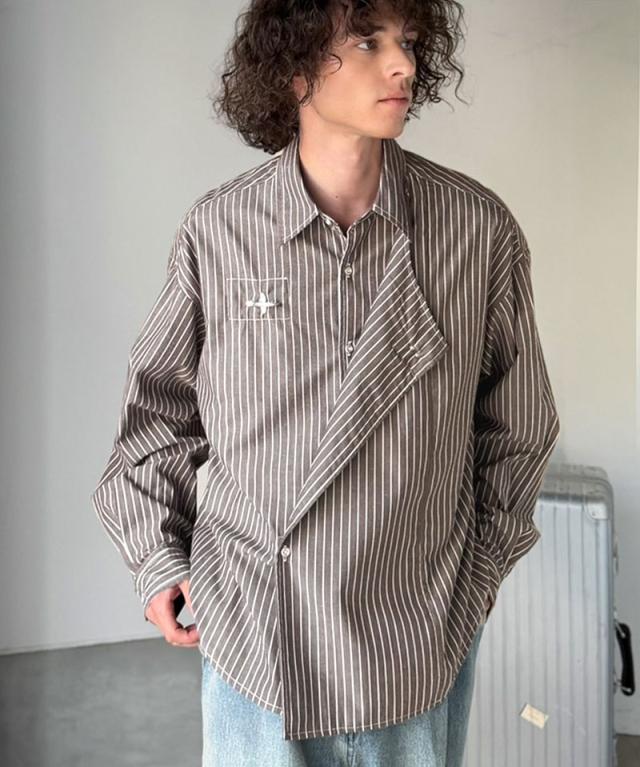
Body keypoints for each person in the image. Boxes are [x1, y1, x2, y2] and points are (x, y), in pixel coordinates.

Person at [90, 1, 561, 765]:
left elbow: (520, 426)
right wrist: (158, 559)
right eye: (368, 42)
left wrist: (474, 579)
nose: (402, 64)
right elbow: (156, 419)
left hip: (412, 639)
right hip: (256, 635)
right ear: (295, 67)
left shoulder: (476, 231)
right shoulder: (221, 231)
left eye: (408, 41)